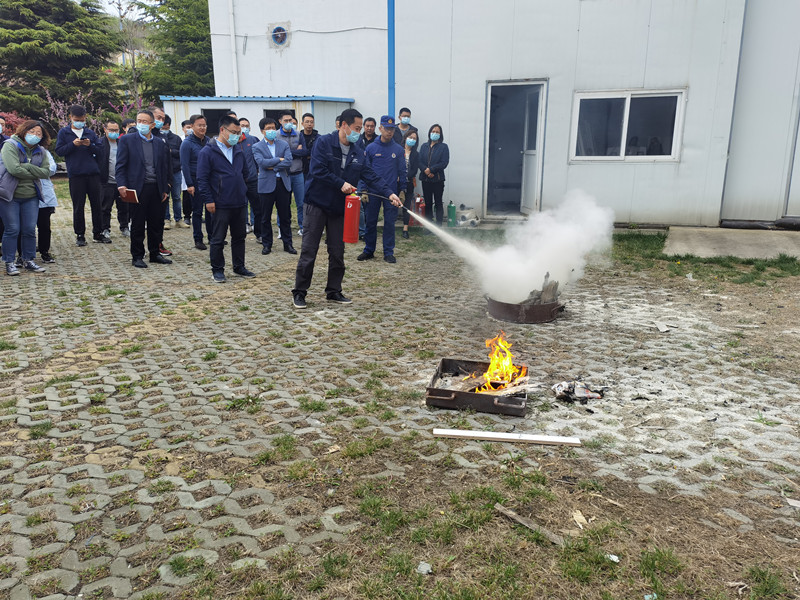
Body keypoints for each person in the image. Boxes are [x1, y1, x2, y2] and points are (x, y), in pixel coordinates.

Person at [292, 108, 401, 309]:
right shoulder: (324, 143)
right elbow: (317, 170)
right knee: (309, 250)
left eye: (360, 129)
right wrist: (340, 183)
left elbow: (371, 175)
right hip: (316, 204)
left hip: (338, 208)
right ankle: (299, 292)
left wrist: (389, 193)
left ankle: (334, 290)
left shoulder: (358, 151)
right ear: (344, 125)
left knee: (337, 251)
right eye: (357, 128)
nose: (359, 132)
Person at [195, 114, 255, 283]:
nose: (237, 136)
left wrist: (241, 189)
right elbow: (202, 179)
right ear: (222, 130)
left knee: (239, 237)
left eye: (238, 133)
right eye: (234, 132)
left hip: (239, 202)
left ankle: (239, 266)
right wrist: (209, 200)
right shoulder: (208, 152)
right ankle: (217, 270)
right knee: (218, 239)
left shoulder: (238, 150)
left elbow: (245, 174)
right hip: (219, 203)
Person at [115, 110, 172, 269]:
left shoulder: (160, 143)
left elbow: (165, 167)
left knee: (156, 223)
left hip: (157, 188)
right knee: (138, 224)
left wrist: (166, 187)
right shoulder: (127, 140)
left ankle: (155, 253)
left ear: (152, 125)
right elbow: (120, 165)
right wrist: (121, 185)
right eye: (139, 120)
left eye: (145, 121)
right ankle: (137, 255)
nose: (141, 124)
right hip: (137, 188)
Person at [0, 120, 51, 275]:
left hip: (31, 196)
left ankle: (28, 259)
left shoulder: (41, 151)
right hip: (10, 195)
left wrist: (27, 166)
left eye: (39, 133)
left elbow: (46, 172)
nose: (35, 135)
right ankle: (9, 262)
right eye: (32, 132)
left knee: (29, 229)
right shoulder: (10, 145)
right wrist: (33, 170)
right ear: (24, 131)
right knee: (12, 229)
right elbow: (13, 169)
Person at [358, 115, 406, 264]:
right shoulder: (371, 148)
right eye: (386, 128)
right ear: (380, 129)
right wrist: (363, 189)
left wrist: (402, 190)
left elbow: (402, 171)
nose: (389, 132)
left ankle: (388, 252)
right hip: (372, 191)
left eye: (392, 129)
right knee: (371, 221)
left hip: (391, 193)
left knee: (389, 223)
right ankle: (369, 250)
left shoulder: (398, 150)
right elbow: (364, 170)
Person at [55, 105, 104, 246]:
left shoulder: (90, 133)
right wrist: (73, 145)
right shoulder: (64, 133)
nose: (79, 122)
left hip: (93, 174)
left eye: (82, 120)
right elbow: (59, 151)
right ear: (70, 118)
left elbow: (100, 151)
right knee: (78, 206)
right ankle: (80, 234)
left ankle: (98, 233)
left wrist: (90, 145)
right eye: (77, 120)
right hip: (76, 175)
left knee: (97, 204)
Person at [253, 117, 294, 255]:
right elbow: (262, 163)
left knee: (285, 216)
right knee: (265, 217)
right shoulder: (257, 146)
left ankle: (288, 244)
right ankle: (267, 244)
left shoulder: (283, 144)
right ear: (262, 131)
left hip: (282, 183)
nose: (271, 130)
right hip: (266, 185)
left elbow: (288, 161)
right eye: (268, 128)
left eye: (273, 128)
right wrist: (278, 160)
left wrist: (274, 167)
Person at [180, 114, 212, 250]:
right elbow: (185, 165)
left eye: (204, 125)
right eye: (199, 125)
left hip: (209, 180)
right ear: (192, 126)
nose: (202, 128)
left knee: (210, 209)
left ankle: (212, 237)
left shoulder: (209, 141)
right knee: (197, 211)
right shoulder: (187, 143)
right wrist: (189, 184)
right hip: (195, 180)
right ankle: (198, 239)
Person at [98, 120, 129, 239]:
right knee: (105, 207)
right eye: (111, 130)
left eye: (116, 130)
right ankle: (105, 228)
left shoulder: (122, 143)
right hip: (106, 182)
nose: (114, 132)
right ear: (105, 129)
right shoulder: (100, 143)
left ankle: (124, 227)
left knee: (124, 207)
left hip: (122, 182)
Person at [278, 110, 307, 235]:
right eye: (286, 120)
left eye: (290, 120)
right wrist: (296, 152)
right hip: (283, 173)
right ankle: (282, 228)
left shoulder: (299, 134)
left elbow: (304, 152)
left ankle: (302, 226)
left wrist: (288, 154)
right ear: (280, 121)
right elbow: (277, 154)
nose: (289, 122)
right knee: (283, 203)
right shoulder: (276, 135)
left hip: (298, 173)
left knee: (301, 203)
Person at [418, 124, 449, 225]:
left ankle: (439, 224)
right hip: (425, 179)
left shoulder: (443, 147)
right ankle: (429, 225)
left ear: (440, 134)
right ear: (430, 133)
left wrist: (431, 170)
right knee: (428, 203)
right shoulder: (424, 146)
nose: (435, 133)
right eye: (433, 131)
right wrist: (425, 170)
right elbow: (419, 161)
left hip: (438, 180)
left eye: (437, 132)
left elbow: (444, 163)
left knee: (438, 202)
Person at [237, 117, 261, 239]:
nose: (244, 128)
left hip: (252, 179)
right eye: (242, 125)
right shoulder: (233, 141)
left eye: (246, 125)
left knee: (257, 207)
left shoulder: (253, 140)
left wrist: (257, 171)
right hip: (239, 181)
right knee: (241, 206)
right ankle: (244, 226)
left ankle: (259, 232)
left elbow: (257, 158)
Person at [160, 115, 185, 229]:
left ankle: (178, 219)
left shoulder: (176, 138)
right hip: (163, 173)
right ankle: (166, 219)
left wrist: (171, 151)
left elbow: (181, 153)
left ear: (167, 125)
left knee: (177, 197)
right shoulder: (157, 137)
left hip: (176, 171)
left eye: (163, 124)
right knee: (165, 197)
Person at [36, 147, 58, 263]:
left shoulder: (44, 152)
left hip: (44, 195)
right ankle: (23, 254)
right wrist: (40, 170)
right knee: (25, 228)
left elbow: (52, 168)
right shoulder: (16, 150)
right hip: (24, 192)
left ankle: (44, 251)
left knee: (44, 226)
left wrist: (31, 170)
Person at [400, 129, 420, 239]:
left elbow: (414, 171)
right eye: (410, 137)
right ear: (405, 137)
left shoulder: (416, 154)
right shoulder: (398, 150)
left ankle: (405, 229)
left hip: (409, 183)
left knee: (407, 206)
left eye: (414, 138)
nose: (412, 140)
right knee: (393, 203)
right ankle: (390, 226)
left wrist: (405, 177)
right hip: (397, 182)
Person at [180, 120, 193, 225]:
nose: (190, 129)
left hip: (195, 171)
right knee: (186, 195)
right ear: (183, 129)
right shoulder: (180, 140)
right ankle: (187, 216)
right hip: (184, 170)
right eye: (188, 127)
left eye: (191, 127)